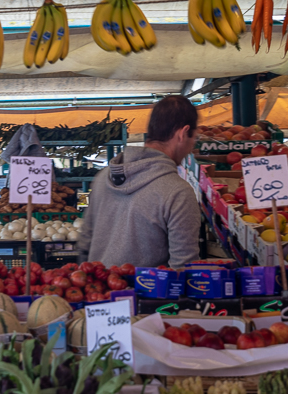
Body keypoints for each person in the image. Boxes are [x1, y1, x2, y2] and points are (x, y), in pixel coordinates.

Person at [78, 95, 202, 268]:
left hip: (98, 284)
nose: (192, 147)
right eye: (194, 138)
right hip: (147, 286)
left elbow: (84, 244)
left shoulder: (101, 179)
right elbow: (183, 268)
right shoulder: (178, 193)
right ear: (183, 133)